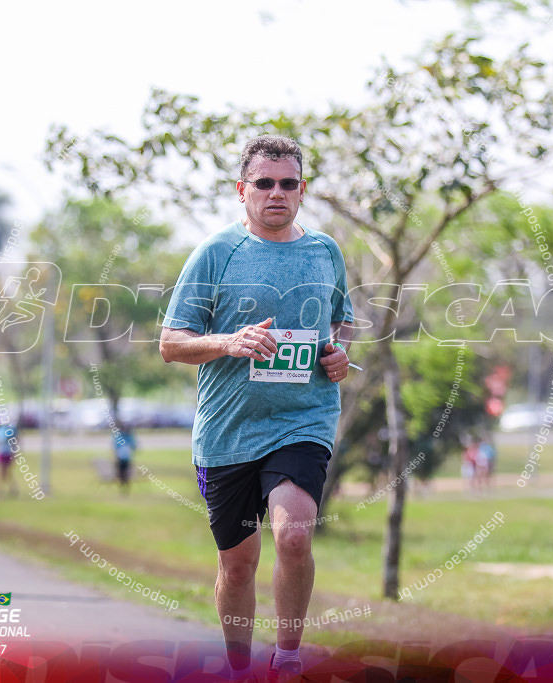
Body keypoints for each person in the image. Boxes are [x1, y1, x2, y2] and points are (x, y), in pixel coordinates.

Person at [159, 135, 354, 682]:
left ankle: (287, 658)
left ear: (302, 190)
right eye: (264, 183)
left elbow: (341, 322)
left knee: (294, 534)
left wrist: (339, 356)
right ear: (242, 190)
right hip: (228, 430)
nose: (276, 193)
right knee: (237, 563)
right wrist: (229, 341)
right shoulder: (216, 253)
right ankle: (240, 667)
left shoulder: (324, 251)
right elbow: (171, 343)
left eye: (287, 183)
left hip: (303, 418)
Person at [0, 422, 18, 497]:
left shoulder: (11, 429)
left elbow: (14, 443)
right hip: (0, 453)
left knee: (7, 473)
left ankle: (13, 490)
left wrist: (14, 454)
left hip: (8, 453)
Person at [113, 422, 136, 494]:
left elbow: (116, 447)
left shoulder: (122, 437)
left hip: (124, 458)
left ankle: (123, 487)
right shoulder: (127, 437)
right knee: (123, 473)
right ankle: (124, 487)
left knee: (123, 473)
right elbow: (133, 446)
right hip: (124, 458)